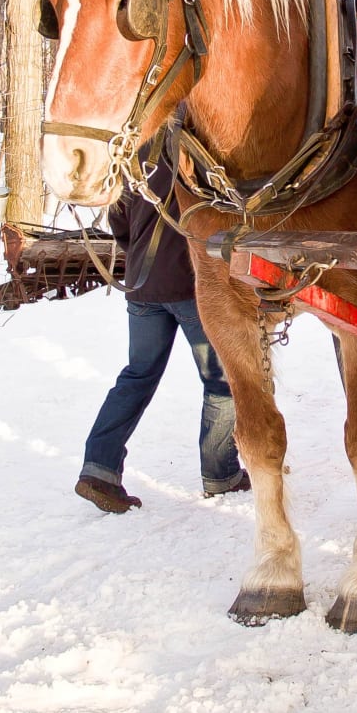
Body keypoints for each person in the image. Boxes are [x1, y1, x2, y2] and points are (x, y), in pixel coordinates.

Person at [75, 150, 249, 513]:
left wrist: (142, 259)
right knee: (222, 381)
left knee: (137, 376)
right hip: (191, 291)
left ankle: (99, 468)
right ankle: (221, 474)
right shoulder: (201, 160)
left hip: (142, 287)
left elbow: (119, 224)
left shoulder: (135, 160)